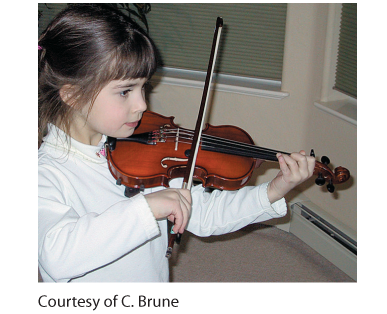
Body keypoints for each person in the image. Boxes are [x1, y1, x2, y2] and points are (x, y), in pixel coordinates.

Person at [38, 4, 316, 282]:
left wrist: (274, 190)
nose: (142, 104)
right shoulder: (45, 175)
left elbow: (205, 214)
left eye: (143, 87)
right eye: (125, 91)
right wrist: (146, 207)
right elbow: (56, 256)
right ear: (73, 96)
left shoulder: (143, 157)